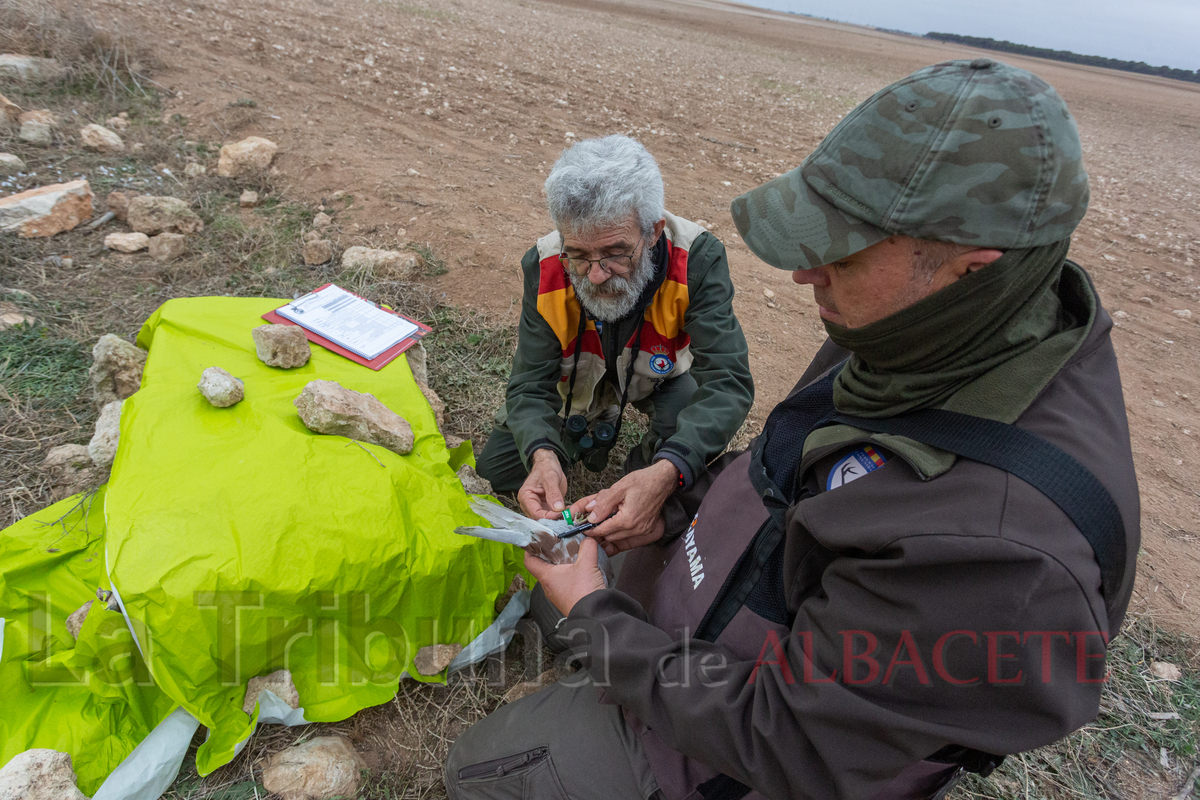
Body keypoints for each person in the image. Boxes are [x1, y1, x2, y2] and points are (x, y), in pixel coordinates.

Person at [445, 59, 1141, 800]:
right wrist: (669, 502)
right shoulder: (911, 327)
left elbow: (787, 740)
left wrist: (598, 618)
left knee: (481, 772)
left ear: (970, 269)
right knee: (556, 603)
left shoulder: (1002, 552)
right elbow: (787, 465)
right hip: (713, 614)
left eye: (844, 249)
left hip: (740, 747)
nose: (808, 274)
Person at [476, 134, 754, 558]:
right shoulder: (546, 265)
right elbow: (529, 385)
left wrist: (667, 471)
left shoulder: (697, 258)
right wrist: (543, 454)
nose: (597, 275)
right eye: (580, 256)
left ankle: (644, 470)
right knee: (498, 471)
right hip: (578, 383)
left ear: (654, 231)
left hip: (658, 379)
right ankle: (566, 451)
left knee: (686, 414)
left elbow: (729, 383)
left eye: (616, 253)